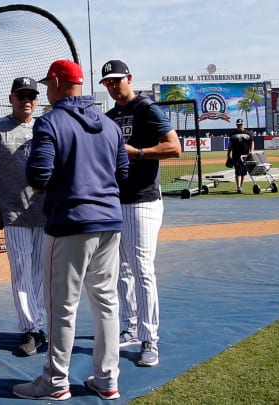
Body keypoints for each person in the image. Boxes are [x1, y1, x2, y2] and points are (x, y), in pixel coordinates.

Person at [13, 59, 128, 401]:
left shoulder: (50, 122)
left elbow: (38, 176)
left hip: (70, 224)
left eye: (49, 84)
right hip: (110, 221)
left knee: (61, 306)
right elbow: (122, 173)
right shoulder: (110, 125)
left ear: (61, 84)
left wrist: (61, 187)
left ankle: (54, 381)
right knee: (106, 303)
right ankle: (107, 380)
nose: (46, 91)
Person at [100, 59, 182, 367]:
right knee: (120, 269)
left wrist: (139, 153)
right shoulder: (109, 117)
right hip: (115, 200)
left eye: (116, 80)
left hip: (143, 200)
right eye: (107, 82)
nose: (111, 86)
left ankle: (150, 339)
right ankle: (130, 327)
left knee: (142, 269)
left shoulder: (147, 109)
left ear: (129, 78)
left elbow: (175, 148)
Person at [0, 77, 48, 357]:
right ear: (11, 98)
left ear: (37, 100)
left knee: (42, 273)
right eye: (21, 95)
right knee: (22, 273)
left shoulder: (46, 127)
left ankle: (38, 324)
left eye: (31, 95)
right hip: (14, 215)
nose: (26, 100)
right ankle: (29, 329)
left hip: (46, 214)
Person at [227, 118, 254, 193]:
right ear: (236, 125)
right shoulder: (233, 134)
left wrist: (251, 152)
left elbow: (252, 143)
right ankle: (238, 187)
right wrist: (228, 154)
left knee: (243, 172)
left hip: (246, 156)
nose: (240, 126)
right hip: (236, 155)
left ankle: (241, 185)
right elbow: (230, 145)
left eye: (241, 124)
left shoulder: (248, 133)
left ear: (243, 124)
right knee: (238, 171)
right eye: (238, 125)